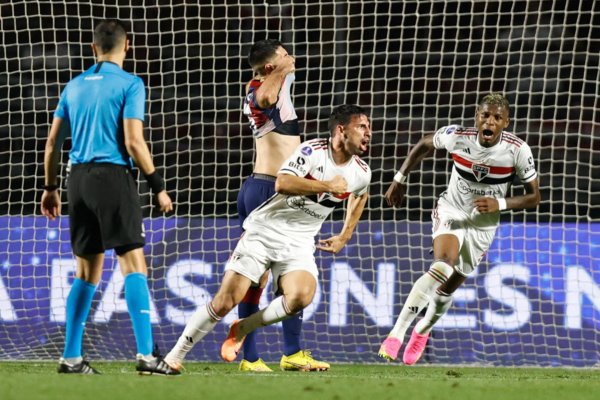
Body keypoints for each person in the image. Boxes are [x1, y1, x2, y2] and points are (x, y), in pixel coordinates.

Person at [164, 104, 372, 371]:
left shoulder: (361, 171)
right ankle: (174, 355)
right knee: (226, 300)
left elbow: (360, 194)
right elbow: (282, 183)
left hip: (299, 242)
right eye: (362, 127)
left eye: (369, 127)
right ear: (341, 130)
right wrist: (327, 185)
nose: (369, 133)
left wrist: (345, 235)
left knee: (301, 296)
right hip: (264, 232)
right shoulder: (312, 151)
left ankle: (243, 328)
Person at [40, 19, 179, 375]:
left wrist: (51, 188)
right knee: (133, 263)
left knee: (86, 272)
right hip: (113, 176)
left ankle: (71, 357)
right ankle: (147, 355)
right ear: (126, 46)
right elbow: (134, 141)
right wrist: (158, 184)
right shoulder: (131, 84)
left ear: (93, 49)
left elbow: (53, 144)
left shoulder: (73, 86)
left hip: (77, 181)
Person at [378, 93, 540, 365]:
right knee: (443, 265)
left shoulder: (517, 150)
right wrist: (399, 178)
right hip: (452, 209)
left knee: (448, 289)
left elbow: (534, 196)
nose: (490, 121)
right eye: (485, 115)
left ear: (506, 122)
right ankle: (397, 333)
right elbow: (425, 143)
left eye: (497, 118)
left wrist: (499, 203)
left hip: (483, 225)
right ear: (477, 116)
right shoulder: (457, 137)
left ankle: (423, 330)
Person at [236, 39, 329, 372]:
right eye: (285, 56)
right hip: (267, 192)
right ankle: (249, 357)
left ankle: (290, 352)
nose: (292, 59)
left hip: (277, 192)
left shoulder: (273, 84)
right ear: (269, 67)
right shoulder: (259, 89)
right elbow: (265, 96)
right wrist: (281, 69)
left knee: (292, 271)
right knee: (256, 279)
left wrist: (283, 69)